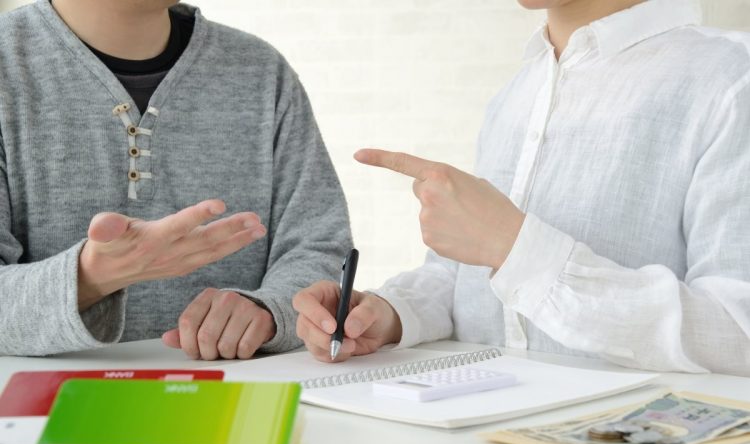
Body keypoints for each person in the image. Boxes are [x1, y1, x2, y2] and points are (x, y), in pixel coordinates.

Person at [294, 0, 750, 376]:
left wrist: (517, 249)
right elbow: (468, 281)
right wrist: (388, 315)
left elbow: (737, 332)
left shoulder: (731, 80)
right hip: (483, 442)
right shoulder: (518, 91)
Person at [0, 0, 352, 359]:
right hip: (47, 406)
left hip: (239, 395)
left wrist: (271, 310)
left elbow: (319, 245)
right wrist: (90, 277)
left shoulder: (262, 72)